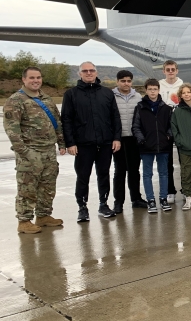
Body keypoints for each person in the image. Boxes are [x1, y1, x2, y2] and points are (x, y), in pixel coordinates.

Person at [4, 66, 66, 234]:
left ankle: (43, 215)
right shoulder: (16, 100)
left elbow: (57, 123)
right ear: (24, 80)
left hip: (48, 151)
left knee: (47, 186)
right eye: (31, 78)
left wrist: (61, 143)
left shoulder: (46, 98)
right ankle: (24, 220)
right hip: (30, 152)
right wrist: (24, 152)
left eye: (38, 77)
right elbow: (12, 130)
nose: (35, 80)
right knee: (27, 187)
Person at [61, 62, 122, 222]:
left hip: (105, 143)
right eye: (85, 71)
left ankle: (103, 204)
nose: (89, 73)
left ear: (96, 72)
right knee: (83, 176)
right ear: (79, 73)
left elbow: (115, 117)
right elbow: (66, 120)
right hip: (83, 144)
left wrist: (116, 138)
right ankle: (82, 207)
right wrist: (70, 143)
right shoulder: (71, 94)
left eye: (92, 70)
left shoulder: (107, 93)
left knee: (104, 174)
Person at [132, 78, 174, 213]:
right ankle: (150, 200)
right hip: (146, 146)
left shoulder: (166, 108)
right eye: (150, 89)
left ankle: (163, 199)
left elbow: (171, 126)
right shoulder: (140, 107)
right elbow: (135, 126)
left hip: (163, 145)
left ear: (158, 90)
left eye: (155, 89)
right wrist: (141, 139)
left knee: (164, 173)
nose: (152, 92)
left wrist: (168, 136)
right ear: (146, 90)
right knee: (147, 174)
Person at [112, 70, 147, 213]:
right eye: (123, 81)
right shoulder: (111, 96)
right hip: (118, 139)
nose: (126, 83)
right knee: (120, 171)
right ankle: (118, 201)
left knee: (134, 170)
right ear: (117, 82)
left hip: (133, 138)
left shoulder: (137, 96)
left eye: (128, 81)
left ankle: (136, 198)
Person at [159, 60, 183, 203]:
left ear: (177, 70)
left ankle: (186, 190)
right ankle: (170, 191)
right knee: (167, 162)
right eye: (167, 69)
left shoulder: (182, 85)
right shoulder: (159, 85)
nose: (170, 72)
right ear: (164, 71)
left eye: (173, 69)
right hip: (164, 128)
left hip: (179, 127)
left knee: (183, 160)